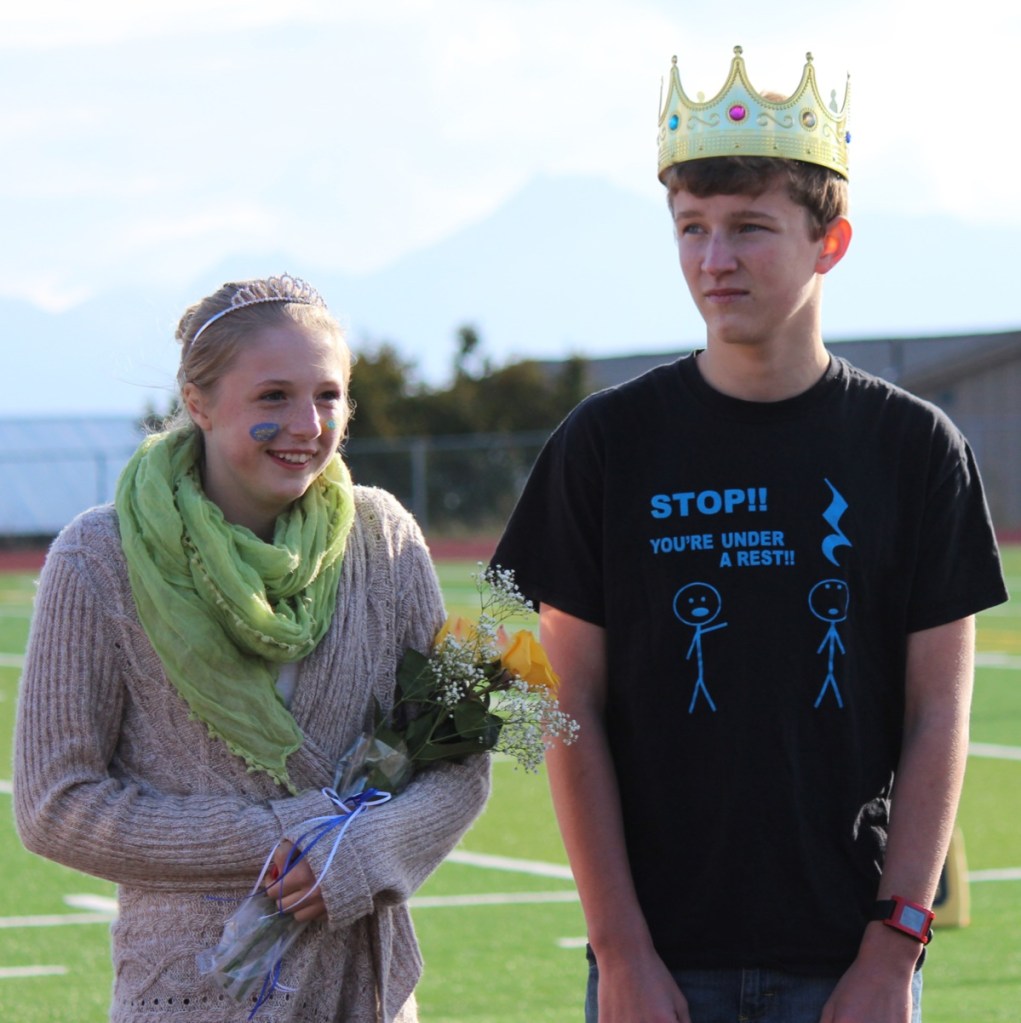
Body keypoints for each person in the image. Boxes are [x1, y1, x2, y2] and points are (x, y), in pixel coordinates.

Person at [490, 45, 1008, 1023]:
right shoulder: (606, 444)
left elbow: (939, 713)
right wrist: (621, 953)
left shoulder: (913, 449)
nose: (712, 260)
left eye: (749, 229)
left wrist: (893, 952)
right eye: (691, 229)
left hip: (847, 961)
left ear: (831, 242)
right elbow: (559, 705)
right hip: (659, 963)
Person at [14, 273, 490, 1022]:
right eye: (273, 396)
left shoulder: (385, 538)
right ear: (198, 403)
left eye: (328, 395)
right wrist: (280, 835)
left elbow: (459, 761)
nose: (307, 422)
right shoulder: (98, 557)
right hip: (189, 996)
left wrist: (355, 855)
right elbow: (55, 805)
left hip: (364, 995)